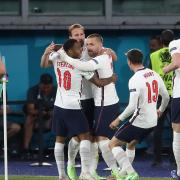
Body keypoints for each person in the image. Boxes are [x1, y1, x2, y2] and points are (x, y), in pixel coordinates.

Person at [43, 39, 116, 180]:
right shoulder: (80, 66)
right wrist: (111, 79)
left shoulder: (56, 58)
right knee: (86, 137)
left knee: (59, 139)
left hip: (58, 106)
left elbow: (44, 63)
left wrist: (50, 51)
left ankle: (62, 175)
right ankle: (86, 174)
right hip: (73, 107)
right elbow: (99, 83)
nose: (81, 50)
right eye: (78, 48)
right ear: (69, 51)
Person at [108, 49, 169, 180]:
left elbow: (131, 107)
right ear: (141, 60)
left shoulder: (135, 79)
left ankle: (131, 173)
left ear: (129, 62)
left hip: (140, 121)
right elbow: (166, 97)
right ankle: (124, 175)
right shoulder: (154, 74)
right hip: (153, 121)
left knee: (113, 144)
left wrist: (118, 120)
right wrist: (161, 110)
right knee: (130, 144)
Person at [150, 29, 175, 166]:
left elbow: (150, 76)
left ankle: (157, 159)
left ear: (161, 41)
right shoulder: (177, 54)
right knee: (176, 128)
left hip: (159, 95)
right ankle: (174, 159)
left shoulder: (154, 56)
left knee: (157, 128)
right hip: (174, 94)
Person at [22, 73, 56, 158]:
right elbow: (30, 109)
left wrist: (50, 113)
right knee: (29, 118)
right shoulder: (33, 90)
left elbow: (61, 108)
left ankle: (58, 149)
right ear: (40, 84)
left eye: (48, 87)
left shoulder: (57, 91)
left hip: (52, 117)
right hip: (37, 117)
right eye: (43, 87)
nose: (45, 89)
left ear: (51, 85)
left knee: (60, 117)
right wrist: (42, 112)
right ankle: (26, 149)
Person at [163, 38, 180, 179]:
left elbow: (177, 63)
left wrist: (165, 69)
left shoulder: (175, 44)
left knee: (177, 131)